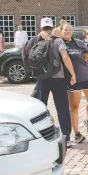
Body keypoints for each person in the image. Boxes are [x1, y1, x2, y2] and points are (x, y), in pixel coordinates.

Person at [26, 17, 76, 148]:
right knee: (62, 108)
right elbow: (65, 57)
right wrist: (72, 74)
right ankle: (66, 137)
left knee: (40, 107)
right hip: (58, 78)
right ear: (52, 27)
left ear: (41, 27)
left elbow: (27, 55)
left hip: (42, 78)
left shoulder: (36, 40)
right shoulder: (58, 40)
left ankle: (39, 136)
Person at [60, 23, 88, 143]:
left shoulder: (79, 43)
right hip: (72, 80)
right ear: (61, 31)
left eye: (70, 30)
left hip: (87, 76)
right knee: (74, 107)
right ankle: (76, 133)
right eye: (66, 30)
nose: (68, 32)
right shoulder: (59, 44)